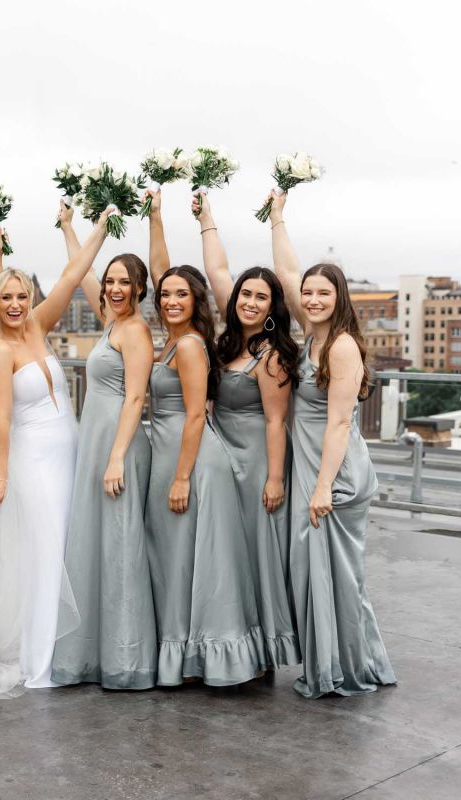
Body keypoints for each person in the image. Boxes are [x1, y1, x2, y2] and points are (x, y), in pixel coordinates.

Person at [0, 207, 114, 697]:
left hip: (67, 454)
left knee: (64, 548)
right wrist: (2, 477)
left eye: (21, 295)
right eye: (5, 297)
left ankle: (67, 652)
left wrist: (99, 224)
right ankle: (38, 662)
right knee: (44, 552)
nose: (14, 304)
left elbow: (73, 275)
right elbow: (2, 421)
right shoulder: (0, 351)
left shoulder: (37, 326)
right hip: (31, 461)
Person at [268, 189, 396, 698]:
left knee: (337, 572)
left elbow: (341, 422)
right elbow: (285, 272)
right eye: (309, 293)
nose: (314, 299)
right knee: (315, 568)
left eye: (324, 293)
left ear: (339, 298)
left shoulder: (341, 346)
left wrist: (322, 487)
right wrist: (278, 218)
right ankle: (329, 663)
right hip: (313, 468)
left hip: (334, 474)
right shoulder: (312, 334)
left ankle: (348, 668)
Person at [145, 190, 266, 686]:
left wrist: (180, 478)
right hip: (175, 453)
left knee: (201, 562)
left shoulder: (191, 345)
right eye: (166, 295)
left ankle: (211, 659)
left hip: (191, 460)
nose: (171, 300)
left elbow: (196, 415)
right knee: (179, 559)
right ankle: (189, 656)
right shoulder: (174, 338)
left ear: (197, 303)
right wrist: (155, 217)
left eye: (181, 295)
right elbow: (159, 271)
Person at [50, 200, 157, 690]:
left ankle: (124, 658)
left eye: (123, 282)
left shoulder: (135, 330)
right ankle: (91, 651)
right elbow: (83, 271)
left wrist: (116, 457)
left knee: (118, 545)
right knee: (96, 540)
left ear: (139, 289)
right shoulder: (110, 319)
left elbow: (137, 396)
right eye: (111, 281)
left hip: (118, 443)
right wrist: (74, 226)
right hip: (97, 439)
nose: (113, 288)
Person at [194, 193, 301, 670]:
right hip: (222, 455)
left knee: (257, 553)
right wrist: (207, 220)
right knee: (227, 554)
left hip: (258, 458)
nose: (250, 301)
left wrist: (275, 479)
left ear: (273, 305)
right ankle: (231, 641)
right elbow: (217, 272)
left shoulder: (272, 354)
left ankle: (261, 651)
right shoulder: (232, 339)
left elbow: (277, 420)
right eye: (245, 294)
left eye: (260, 296)